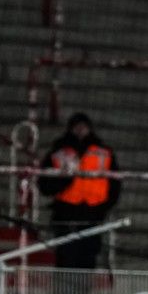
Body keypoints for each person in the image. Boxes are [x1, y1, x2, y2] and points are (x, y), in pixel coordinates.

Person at [37, 112, 120, 272]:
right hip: (65, 213)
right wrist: (64, 180)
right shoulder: (59, 151)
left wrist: (104, 206)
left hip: (93, 212)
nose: (80, 130)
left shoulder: (104, 152)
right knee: (65, 257)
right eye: (77, 126)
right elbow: (44, 184)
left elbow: (115, 183)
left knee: (88, 258)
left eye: (84, 126)